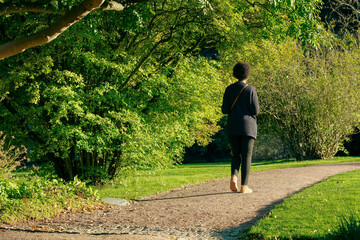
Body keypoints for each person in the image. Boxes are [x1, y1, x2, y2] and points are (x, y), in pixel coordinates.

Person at [221, 62, 260, 193]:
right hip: (248, 127)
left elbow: (224, 110)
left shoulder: (229, 89)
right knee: (247, 155)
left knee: (236, 154)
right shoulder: (250, 89)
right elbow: (255, 110)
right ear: (247, 74)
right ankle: (244, 186)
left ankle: (234, 177)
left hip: (233, 125)